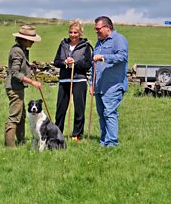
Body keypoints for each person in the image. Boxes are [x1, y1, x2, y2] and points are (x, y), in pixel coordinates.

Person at [90, 16, 128, 148]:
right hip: (99, 85)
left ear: (107, 27)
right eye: (95, 29)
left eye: (98, 29)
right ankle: (104, 141)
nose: (96, 31)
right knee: (101, 115)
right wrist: (92, 84)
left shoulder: (119, 39)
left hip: (113, 85)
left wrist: (104, 57)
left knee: (109, 113)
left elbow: (122, 57)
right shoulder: (98, 43)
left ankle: (112, 143)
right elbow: (93, 65)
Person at [53, 21, 92, 141]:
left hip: (79, 80)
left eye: (75, 32)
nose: (73, 35)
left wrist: (76, 63)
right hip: (64, 80)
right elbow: (56, 61)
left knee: (79, 108)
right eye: (71, 32)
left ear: (80, 33)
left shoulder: (86, 46)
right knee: (60, 108)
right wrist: (65, 62)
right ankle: (57, 134)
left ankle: (77, 135)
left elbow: (87, 64)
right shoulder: (63, 44)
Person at [5, 25, 42, 148]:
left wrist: (29, 67)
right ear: (25, 39)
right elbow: (15, 72)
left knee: (21, 116)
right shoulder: (17, 51)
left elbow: (21, 65)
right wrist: (32, 82)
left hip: (18, 88)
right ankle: (11, 147)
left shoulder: (22, 49)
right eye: (31, 40)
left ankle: (21, 141)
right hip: (14, 88)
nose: (32, 42)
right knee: (15, 117)